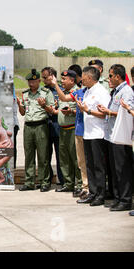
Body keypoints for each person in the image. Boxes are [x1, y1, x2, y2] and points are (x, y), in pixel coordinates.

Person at [96, 64, 133, 211]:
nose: (108, 78)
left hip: (121, 136)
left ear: (118, 76)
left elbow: (128, 113)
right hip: (112, 136)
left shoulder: (126, 92)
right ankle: (118, 198)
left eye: (110, 76)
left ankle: (125, 199)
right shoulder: (116, 91)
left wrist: (109, 112)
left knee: (122, 170)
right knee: (115, 170)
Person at [48, 71, 89, 199]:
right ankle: (68, 183)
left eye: (64, 79)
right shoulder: (64, 92)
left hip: (72, 129)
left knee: (76, 159)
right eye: (61, 79)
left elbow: (83, 109)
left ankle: (78, 184)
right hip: (62, 129)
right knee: (64, 158)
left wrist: (71, 111)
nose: (62, 81)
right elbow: (61, 103)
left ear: (72, 80)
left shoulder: (78, 91)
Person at [75, 66, 111, 206]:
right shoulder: (88, 92)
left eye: (83, 78)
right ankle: (93, 192)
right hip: (88, 134)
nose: (82, 80)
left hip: (98, 134)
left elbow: (105, 114)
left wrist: (88, 111)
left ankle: (100, 195)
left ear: (90, 78)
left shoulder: (102, 92)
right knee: (89, 165)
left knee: (98, 166)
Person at [16, 69, 55, 192]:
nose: (31, 83)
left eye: (33, 81)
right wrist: (19, 105)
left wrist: (44, 106)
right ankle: (29, 182)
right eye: (29, 81)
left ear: (39, 81)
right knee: (29, 155)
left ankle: (44, 181)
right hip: (28, 126)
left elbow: (52, 110)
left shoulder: (45, 92)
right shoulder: (25, 94)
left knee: (43, 155)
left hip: (41, 126)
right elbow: (22, 113)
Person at [41, 67, 64, 187]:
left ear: (52, 76)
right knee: (45, 156)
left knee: (61, 156)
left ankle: (62, 180)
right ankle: (47, 180)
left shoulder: (61, 89)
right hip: (45, 126)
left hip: (58, 126)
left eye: (45, 77)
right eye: (42, 77)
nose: (43, 80)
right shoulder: (42, 91)